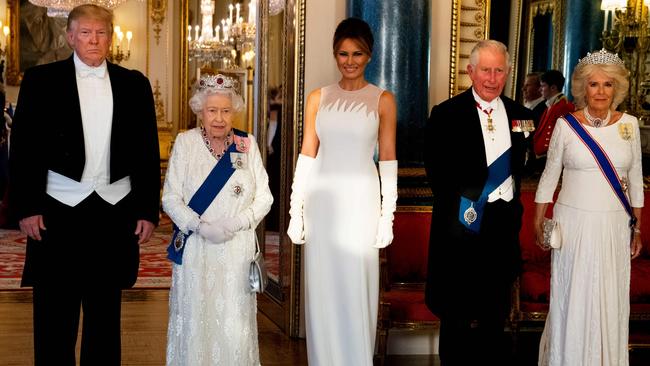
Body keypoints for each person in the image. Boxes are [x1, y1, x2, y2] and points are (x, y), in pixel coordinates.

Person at [8, 4, 160, 365]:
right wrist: (27, 207)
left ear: (110, 37)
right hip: (58, 211)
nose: (94, 40)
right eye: (86, 33)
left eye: (101, 32)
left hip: (114, 212)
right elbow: (24, 150)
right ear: (70, 36)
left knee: (104, 316)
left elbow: (146, 152)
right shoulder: (41, 81)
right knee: (53, 315)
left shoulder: (134, 84)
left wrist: (146, 211)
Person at [286, 17, 398, 365]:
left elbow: (389, 160)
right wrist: (296, 208)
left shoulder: (383, 100)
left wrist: (386, 216)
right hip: (323, 205)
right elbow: (307, 153)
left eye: (357, 54)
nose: (349, 61)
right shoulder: (317, 97)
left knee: (356, 290)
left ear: (370, 56)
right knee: (323, 293)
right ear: (335, 55)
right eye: (342, 53)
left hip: (362, 205)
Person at [424, 40, 532, 365]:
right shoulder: (445, 115)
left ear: (508, 73)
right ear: (471, 71)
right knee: (455, 319)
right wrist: (470, 208)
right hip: (462, 228)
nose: (492, 77)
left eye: (499, 70)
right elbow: (438, 176)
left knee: (493, 319)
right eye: (485, 69)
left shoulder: (522, 116)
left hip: (502, 230)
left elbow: (524, 166)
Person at [533, 49, 643, 366]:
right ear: (583, 88)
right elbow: (550, 174)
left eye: (608, 85)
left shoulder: (630, 126)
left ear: (617, 89)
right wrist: (539, 220)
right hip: (574, 224)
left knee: (610, 297)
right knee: (574, 295)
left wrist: (638, 228)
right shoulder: (567, 126)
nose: (600, 92)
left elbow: (635, 181)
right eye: (594, 85)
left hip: (613, 225)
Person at [163, 73, 273, 365]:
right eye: (212, 110)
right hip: (198, 249)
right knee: (197, 319)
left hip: (237, 250)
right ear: (200, 110)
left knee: (234, 322)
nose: (219, 118)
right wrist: (201, 226)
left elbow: (265, 197)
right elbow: (170, 198)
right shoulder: (185, 143)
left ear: (234, 110)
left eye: (226, 110)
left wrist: (237, 223)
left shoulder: (246, 145)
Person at [533, 69, 575, 157]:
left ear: (553, 87)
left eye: (543, 86)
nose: (540, 90)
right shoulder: (550, 105)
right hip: (541, 156)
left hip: (550, 156)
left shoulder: (564, 106)